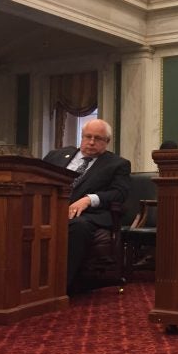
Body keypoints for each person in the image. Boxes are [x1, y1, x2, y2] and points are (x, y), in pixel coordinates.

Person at [44, 119, 131, 294]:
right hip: (48, 209)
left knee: (78, 226)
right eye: (88, 137)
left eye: (98, 138)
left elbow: (119, 194)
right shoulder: (56, 156)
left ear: (107, 142)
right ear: (81, 137)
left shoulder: (117, 164)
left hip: (88, 216)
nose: (91, 142)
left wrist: (89, 199)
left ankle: (59, 288)